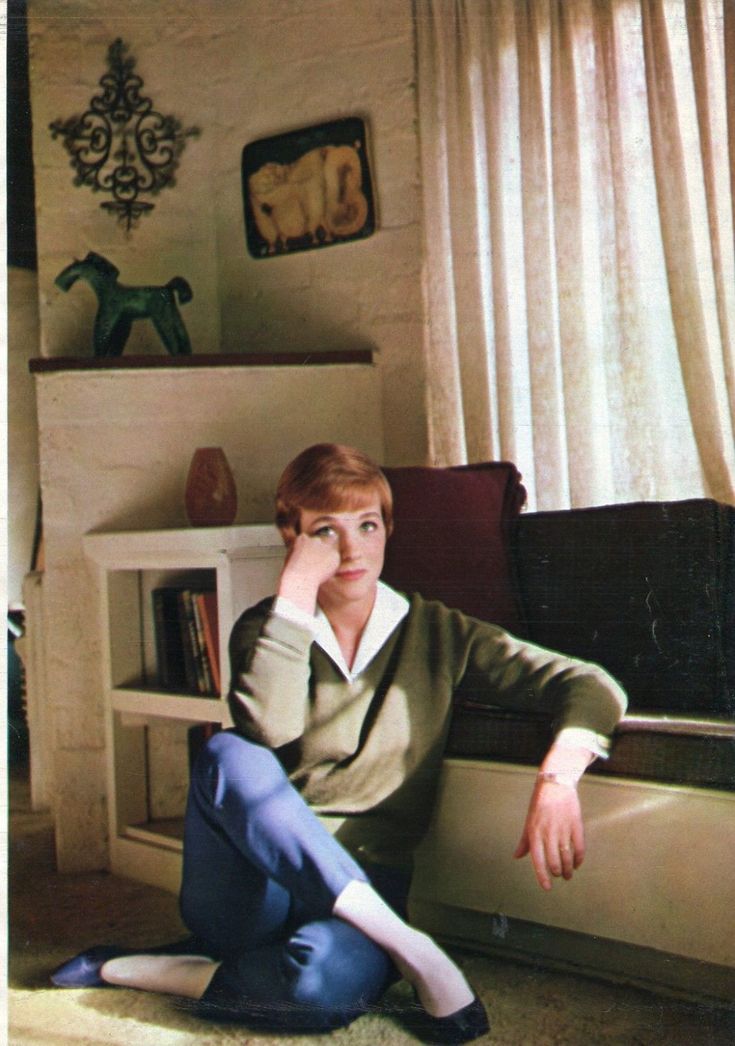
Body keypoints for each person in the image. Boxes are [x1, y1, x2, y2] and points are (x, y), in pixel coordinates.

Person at [51, 444, 627, 1043]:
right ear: (292, 536)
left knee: (312, 995)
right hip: (253, 891)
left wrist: (559, 776)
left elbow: (590, 684)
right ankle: (413, 948)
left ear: (388, 531)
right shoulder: (265, 628)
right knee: (228, 752)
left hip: (365, 893)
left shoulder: (439, 631)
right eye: (326, 531)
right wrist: (297, 587)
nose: (351, 551)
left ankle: (162, 968)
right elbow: (267, 729)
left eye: (367, 526)